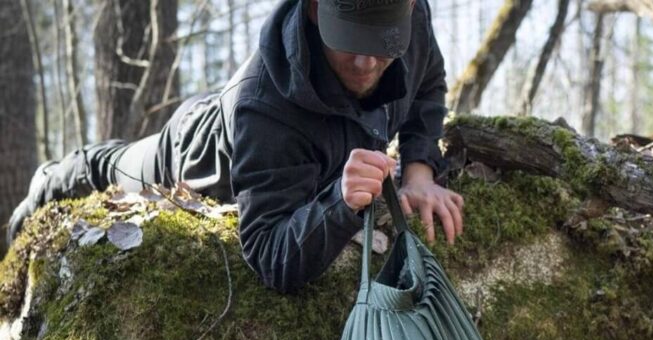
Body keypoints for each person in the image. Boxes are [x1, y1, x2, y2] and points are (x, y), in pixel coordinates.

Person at [6, 0, 463, 293]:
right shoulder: (263, 108)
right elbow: (268, 254)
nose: (366, 62)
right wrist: (338, 204)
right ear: (313, 9)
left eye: (381, 44)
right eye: (349, 41)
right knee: (113, 166)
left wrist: (420, 170)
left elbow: (427, 83)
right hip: (198, 150)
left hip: (247, 125)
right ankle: (51, 179)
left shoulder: (407, 20)